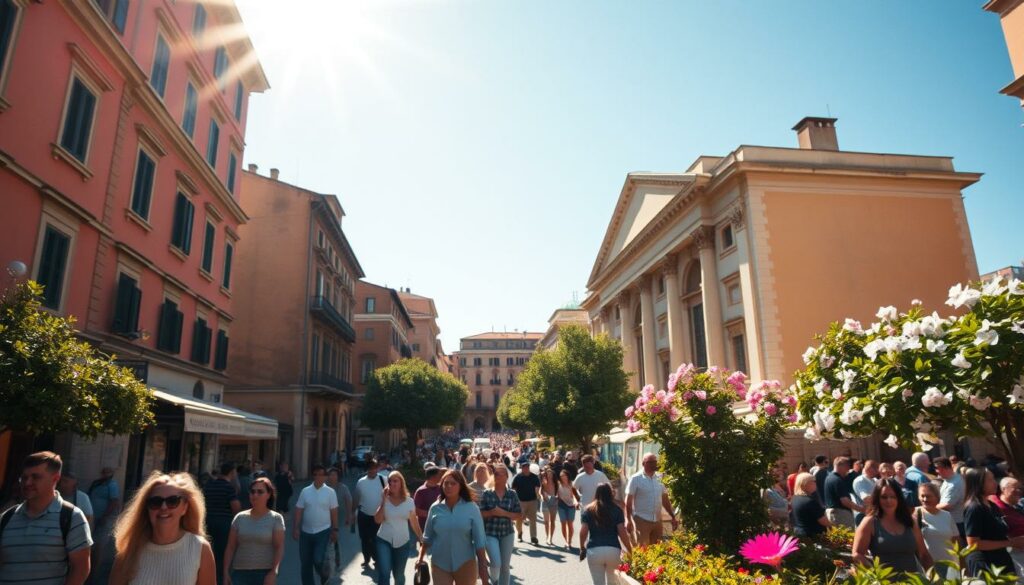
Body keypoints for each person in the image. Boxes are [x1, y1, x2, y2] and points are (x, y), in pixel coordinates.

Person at [0, 451, 92, 585]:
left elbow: (81, 568)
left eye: (35, 477)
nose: (27, 483)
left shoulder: (71, 517)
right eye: (24, 477)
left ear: (55, 479)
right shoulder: (6, 518)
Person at [109, 471, 216, 585]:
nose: (164, 507)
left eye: (172, 501)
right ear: (146, 508)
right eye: (156, 502)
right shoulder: (129, 550)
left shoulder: (199, 549)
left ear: (185, 507)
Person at [416, 470, 488, 585]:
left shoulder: (472, 508)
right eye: (446, 483)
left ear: (461, 486)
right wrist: (420, 558)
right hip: (439, 563)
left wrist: (483, 567)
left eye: (453, 483)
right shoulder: (435, 508)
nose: (449, 486)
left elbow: (479, 540)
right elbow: (427, 537)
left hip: (465, 563)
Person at [852, 478, 932, 576]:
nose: (889, 500)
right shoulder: (869, 522)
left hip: (913, 581)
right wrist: (875, 574)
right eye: (884, 497)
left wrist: (935, 578)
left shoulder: (910, 521)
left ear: (899, 498)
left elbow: (924, 554)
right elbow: (857, 554)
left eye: (893, 496)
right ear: (877, 499)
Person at [222, 477, 284, 585]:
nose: (255, 495)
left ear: (268, 495)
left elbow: (279, 547)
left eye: (260, 492)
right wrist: (226, 572)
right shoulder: (239, 518)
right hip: (239, 573)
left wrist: (273, 572)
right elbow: (230, 547)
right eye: (252, 491)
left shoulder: (276, 519)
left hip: (264, 574)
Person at [964, 466, 1019, 577]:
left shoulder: (992, 505)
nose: (995, 483)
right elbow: (973, 543)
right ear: (978, 483)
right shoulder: (975, 508)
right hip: (987, 566)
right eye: (990, 480)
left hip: (1001, 561)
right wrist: (1010, 543)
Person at [292, 464, 339, 585]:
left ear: (325, 477)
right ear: (313, 476)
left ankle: (324, 574)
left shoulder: (330, 492)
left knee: (318, 559)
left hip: (323, 532)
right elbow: (298, 510)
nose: (318, 477)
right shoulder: (305, 491)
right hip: (306, 532)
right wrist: (296, 528)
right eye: (315, 474)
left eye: (321, 474)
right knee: (305, 563)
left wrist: (335, 529)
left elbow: (334, 512)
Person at [375, 471, 423, 585]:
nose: (392, 483)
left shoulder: (409, 501)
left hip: (403, 542)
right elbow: (377, 520)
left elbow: (414, 522)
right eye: (390, 481)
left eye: (395, 481)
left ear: (401, 483)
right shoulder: (384, 499)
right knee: (385, 573)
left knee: (399, 575)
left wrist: (421, 538)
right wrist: (383, 501)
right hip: (383, 539)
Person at [579, 483, 632, 585]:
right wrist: (629, 549)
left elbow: (583, 531)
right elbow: (622, 532)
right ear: (610, 494)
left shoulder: (588, 510)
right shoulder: (617, 510)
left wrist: (582, 547)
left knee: (598, 582)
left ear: (597, 493)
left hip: (594, 550)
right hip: (613, 550)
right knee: (613, 582)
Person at [479, 464, 522, 585]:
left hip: (507, 533)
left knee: (505, 566)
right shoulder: (487, 493)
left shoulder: (512, 494)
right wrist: (492, 512)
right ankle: (494, 581)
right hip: (490, 532)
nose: (497, 475)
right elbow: (480, 513)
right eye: (495, 473)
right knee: (496, 563)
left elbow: (519, 515)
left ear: (506, 477)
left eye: (500, 473)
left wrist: (504, 513)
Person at [625, 453, 677, 545]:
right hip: (641, 520)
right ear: (643, 463)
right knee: (642, 550)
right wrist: (628, 520)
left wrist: (672, 516)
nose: (654, 464)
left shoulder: (660, 478)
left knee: (656, 551)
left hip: (657, 520)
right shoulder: (635, 478)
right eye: (650, 462)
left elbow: (665, 499)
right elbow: (628, 501)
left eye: (655, 461)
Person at [204, 463, 241, 585]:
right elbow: (235, 507)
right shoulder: (228, 487)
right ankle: (220, 579)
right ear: (231, 473)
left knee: (207, 552)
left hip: (208, 522)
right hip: (224, 524)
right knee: (222, 554)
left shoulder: (209, 486)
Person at [915, 482, 959, 580]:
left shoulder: (947, 515)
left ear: (937, 497)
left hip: (950, 565)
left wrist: (962, 565)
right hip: (927, 567)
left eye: (929, 496)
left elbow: (956, 541)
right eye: (922, 496)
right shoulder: (915, 515)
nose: (925, 499)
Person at [89, 466, 122, 577]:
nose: (105, 474)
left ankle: (94, 572)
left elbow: (114, 502)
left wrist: (105, 516)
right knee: (91, 544)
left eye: (108, 472)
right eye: (104, 472)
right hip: (93, 517)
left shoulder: (112, 485)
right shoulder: (97, 483)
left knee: (99, 545)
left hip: (104, 519)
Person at [354, 459, 387, 568]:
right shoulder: (361, 482)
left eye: (374, 468)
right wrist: (352, 513)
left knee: (374, 538)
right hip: (363, 514)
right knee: (364, 538)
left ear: (377, 468)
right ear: (367, 469)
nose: (372, 470)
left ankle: (376, 559)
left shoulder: (383, 480)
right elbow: (356, 498)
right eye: (370, 468)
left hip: (377, 516)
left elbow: (389, 496)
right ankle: (366, 559)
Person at [990, 476, 1024, 579]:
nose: (1019, 491)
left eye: (1020, 488)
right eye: (1015, 488)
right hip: (1015, 553)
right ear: (1004, 489)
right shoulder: (997, 509)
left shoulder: (1017, 505)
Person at [823, 456, 862, 529]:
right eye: (847, 467)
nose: (848, 470)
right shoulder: (837, 480)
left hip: (833, 513)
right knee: (847, 538)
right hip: (840, 514)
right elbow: (845, 501)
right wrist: (861, 509)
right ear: (841, 466)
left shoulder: (829, 478)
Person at [934, 457, 966, 542]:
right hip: (953, 522)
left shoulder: (954, 484)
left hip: (957, 523)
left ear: (945, 468)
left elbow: (947, 505)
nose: (936, 471)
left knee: (960, 550)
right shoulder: (949, 479)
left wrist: (929, 508)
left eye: (937, 468)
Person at [790, 472, 830, 537]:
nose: (815, 483)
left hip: (800, 533)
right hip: (813, 536)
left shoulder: (795, 498)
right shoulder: (810, 501)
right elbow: (823, 521)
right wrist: (834, 526)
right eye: (813, 481)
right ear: (805, 484)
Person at [511, 461, 541, 545]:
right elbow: (513, 488)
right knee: (519, 519)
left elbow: (538, 486)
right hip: (521, 501)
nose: (526, 469)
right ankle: (519, 534)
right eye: (524, 467)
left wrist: (538, 494)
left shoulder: (534, 477)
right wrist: (514, 500)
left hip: (532, 501)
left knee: (533, 520)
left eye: (527, 467)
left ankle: (533, 537)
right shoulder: (518, 477)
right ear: (522, 468)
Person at [414, 466, 444, 532]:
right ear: (433, 477)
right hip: (425, 528)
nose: (442, 477)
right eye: (439, 475)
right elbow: (415, 510)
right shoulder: (420, 491)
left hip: (440, 527)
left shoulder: (442, 489)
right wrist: (431, 513)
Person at [852, 459, 880, 526]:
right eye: (876, 469)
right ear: (870, 469)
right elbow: (866, 499)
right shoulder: (860, 481)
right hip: (864, 515)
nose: (878, 471)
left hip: (874, 514)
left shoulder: (874, 480)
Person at [557, 469, 578, 550]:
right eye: (561, 476)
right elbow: (556, 494)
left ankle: (569, 541)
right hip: (561, 505)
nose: (563, 477)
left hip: (571, 505)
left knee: (570, 524)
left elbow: (574, 495)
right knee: (563, 523)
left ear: (567, 476)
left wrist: (575, 502)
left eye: (564, 475)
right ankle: (566, 541)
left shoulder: (571, 484)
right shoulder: (558, 484)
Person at [540, 467, 558, 546]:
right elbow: (540, 492)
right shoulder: (544, 481)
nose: (549, 474)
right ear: (546, 474)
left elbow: (557, 491)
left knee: (552, 521)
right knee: (546, 522)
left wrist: (557, 497)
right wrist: (542, 497)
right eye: (548, 473)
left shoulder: (556, 482)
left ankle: (550, 538)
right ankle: (548, 537)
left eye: (551, 473)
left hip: (553, 501)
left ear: (553, 474)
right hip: (546, 501)